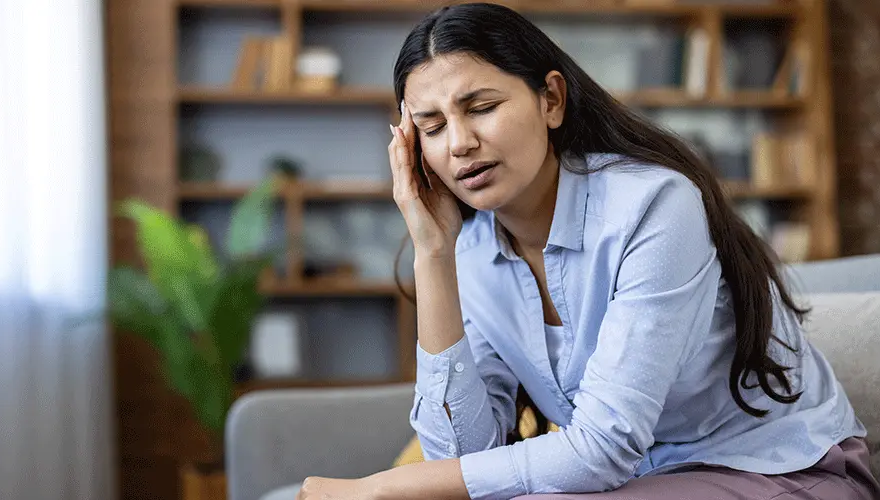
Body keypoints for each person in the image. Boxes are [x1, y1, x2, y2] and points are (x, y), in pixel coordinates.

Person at [293, 3, 879, 499]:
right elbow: (463, 454)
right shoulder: (469, 251)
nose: (460, 143)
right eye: (432, 125)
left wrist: (378, 488)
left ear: (551, 99)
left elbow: (602, 448)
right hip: (645, 481)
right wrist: (434, 254)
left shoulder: (652, 205)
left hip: (779, 470)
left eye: (481, 107)